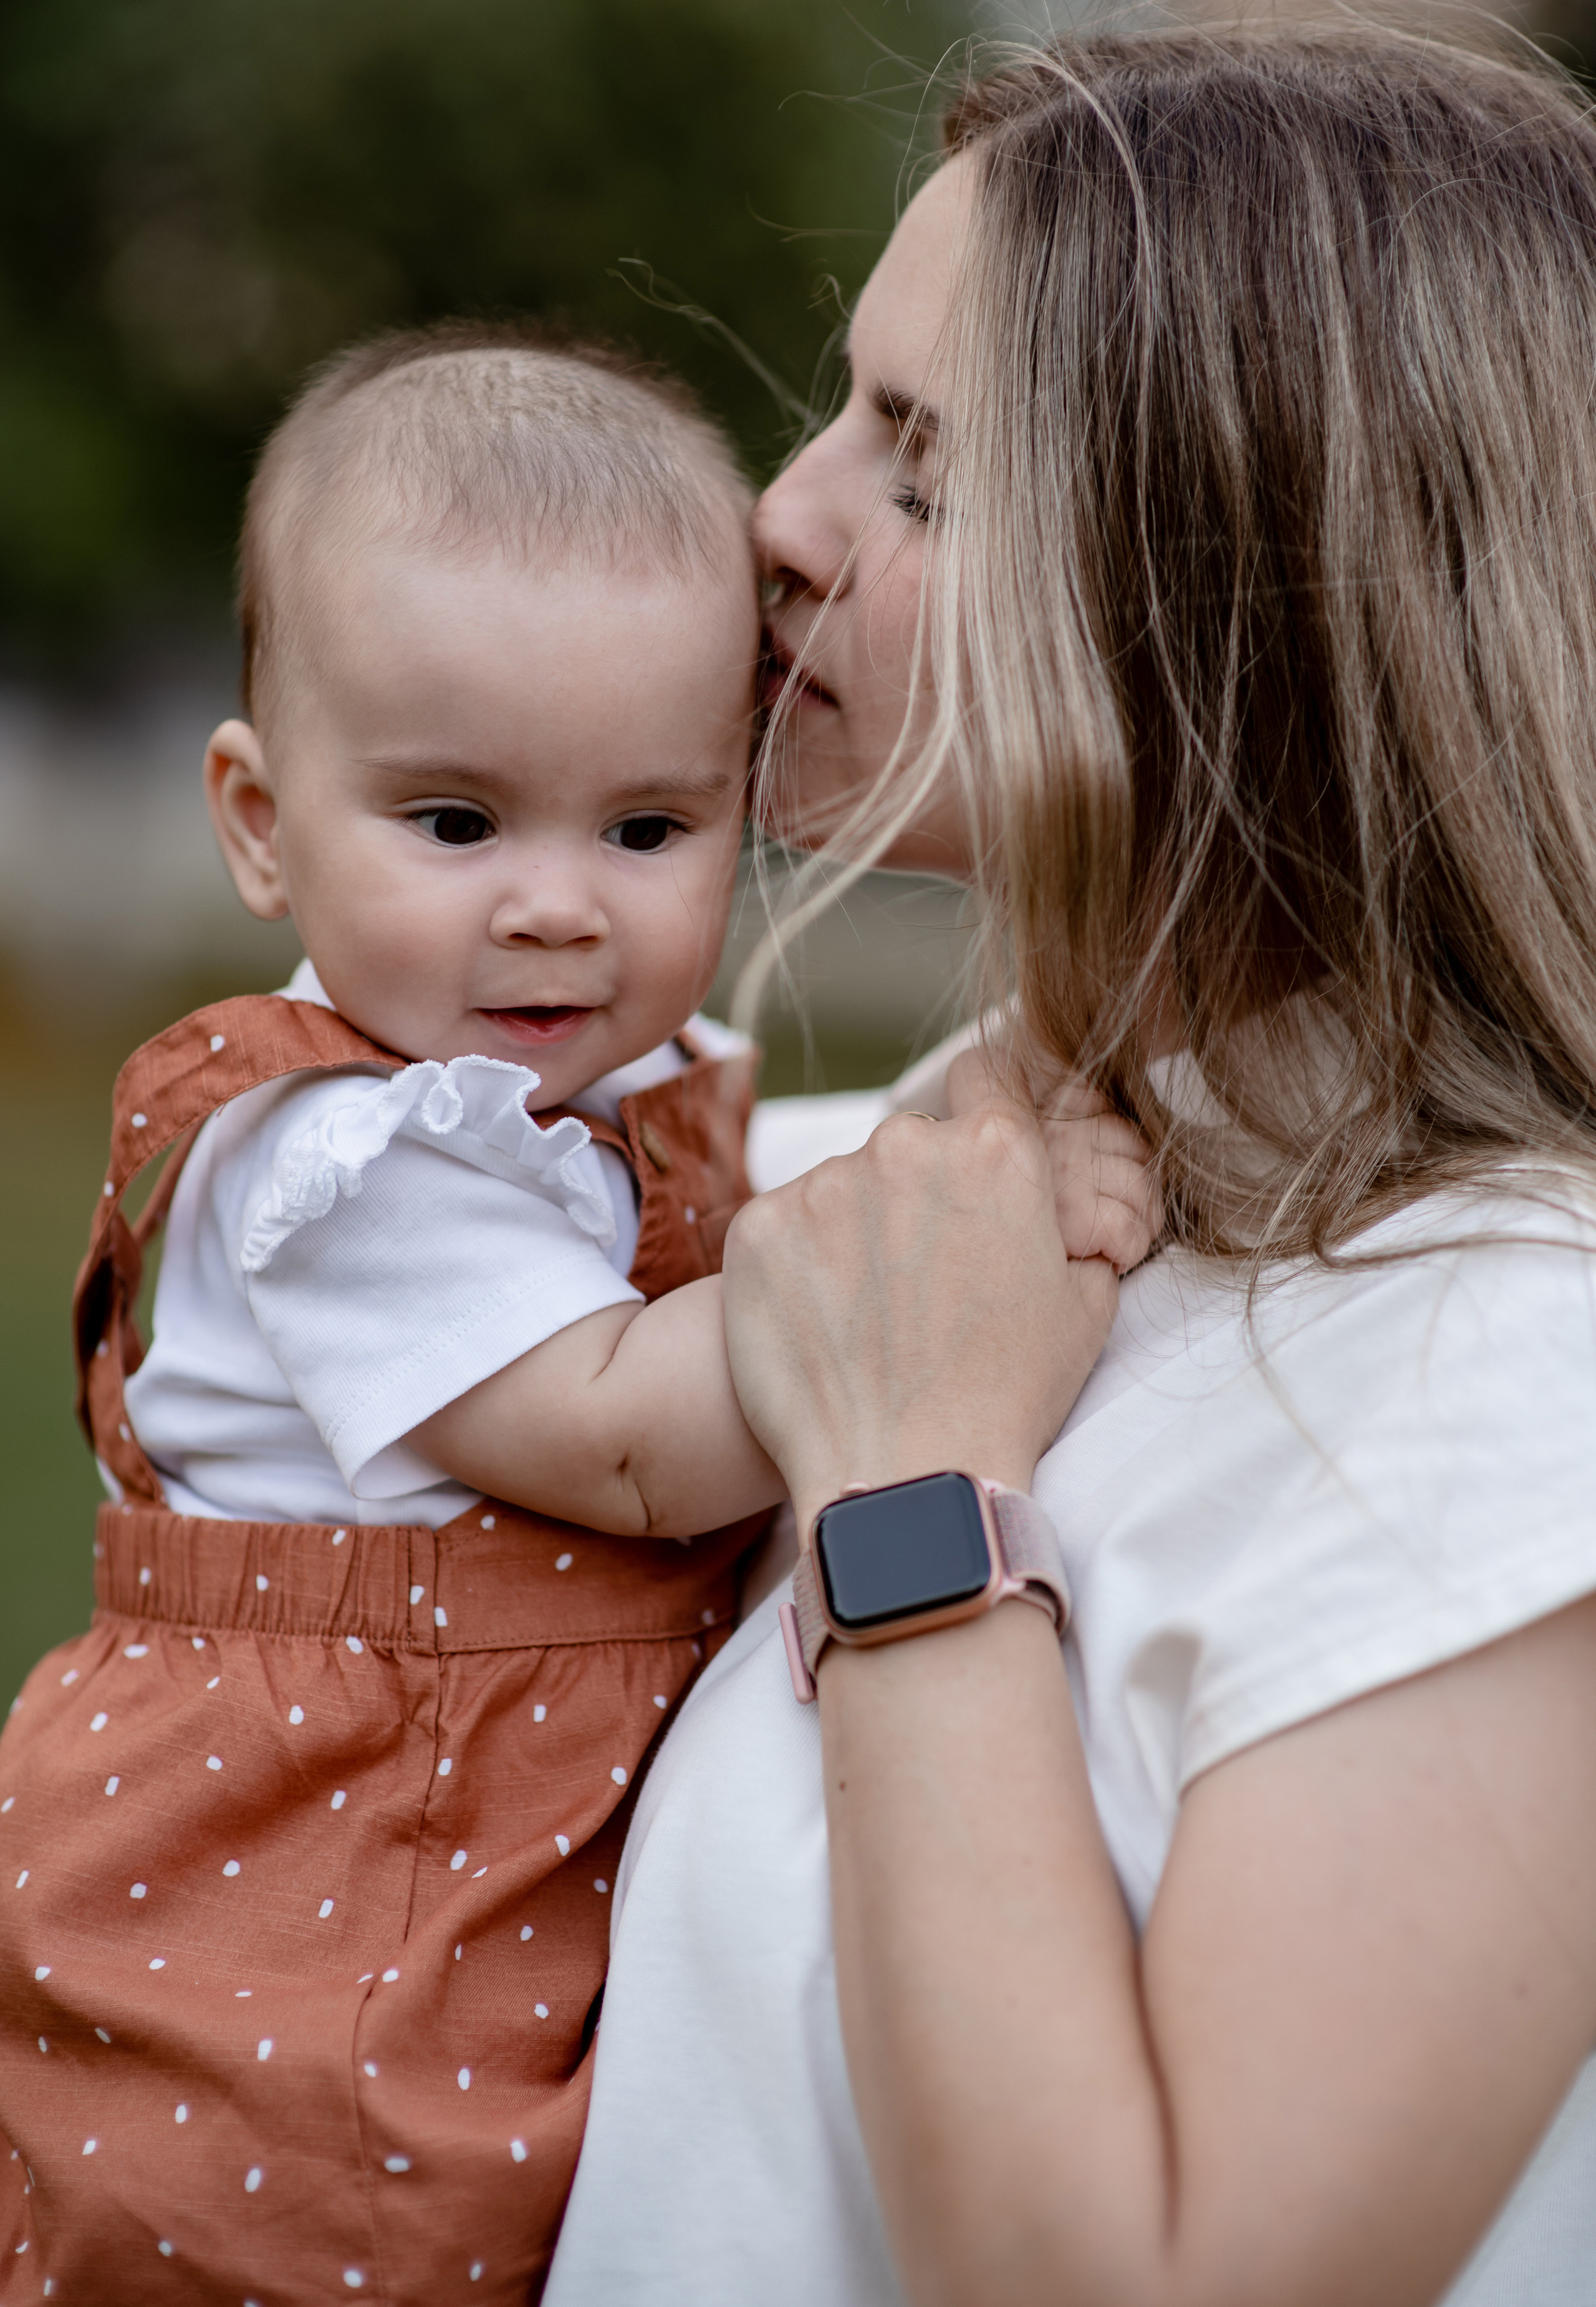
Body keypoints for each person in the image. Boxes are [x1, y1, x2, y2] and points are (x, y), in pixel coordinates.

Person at [545, 22, 1596, 2307]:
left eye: (922, 478)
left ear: (1269, 612)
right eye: (843, 411)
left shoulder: (1512, 1377)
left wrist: (914, 1486)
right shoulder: (869, 1189)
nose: (779, 518)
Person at [0, 323, 1151, 2306]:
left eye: (646, 828)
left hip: (488, 1824)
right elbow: (629, 1435)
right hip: (324, 1888)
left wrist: (976, 1102)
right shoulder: (349, 1161)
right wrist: (974, 1203)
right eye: (456, 824)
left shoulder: (612, 1087)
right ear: (262, 820)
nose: (558, 904)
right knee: (350, 2235)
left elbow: (747, 1229)